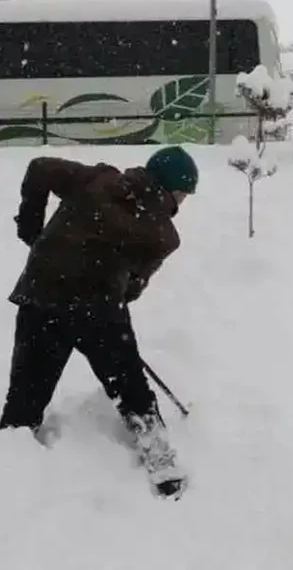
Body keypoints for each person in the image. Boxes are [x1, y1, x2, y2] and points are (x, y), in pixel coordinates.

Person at [2, 146, 199, 498]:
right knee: (130, 387)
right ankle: (159, 457)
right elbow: (134, 286)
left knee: (25, 397)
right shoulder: (164, 235)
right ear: (171, 190)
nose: (181, 203)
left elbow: (39, 167)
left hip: (41, 298)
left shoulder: (94, 178)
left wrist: (31, 225)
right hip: (99, 313)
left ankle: (12, 460)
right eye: (183, 194)